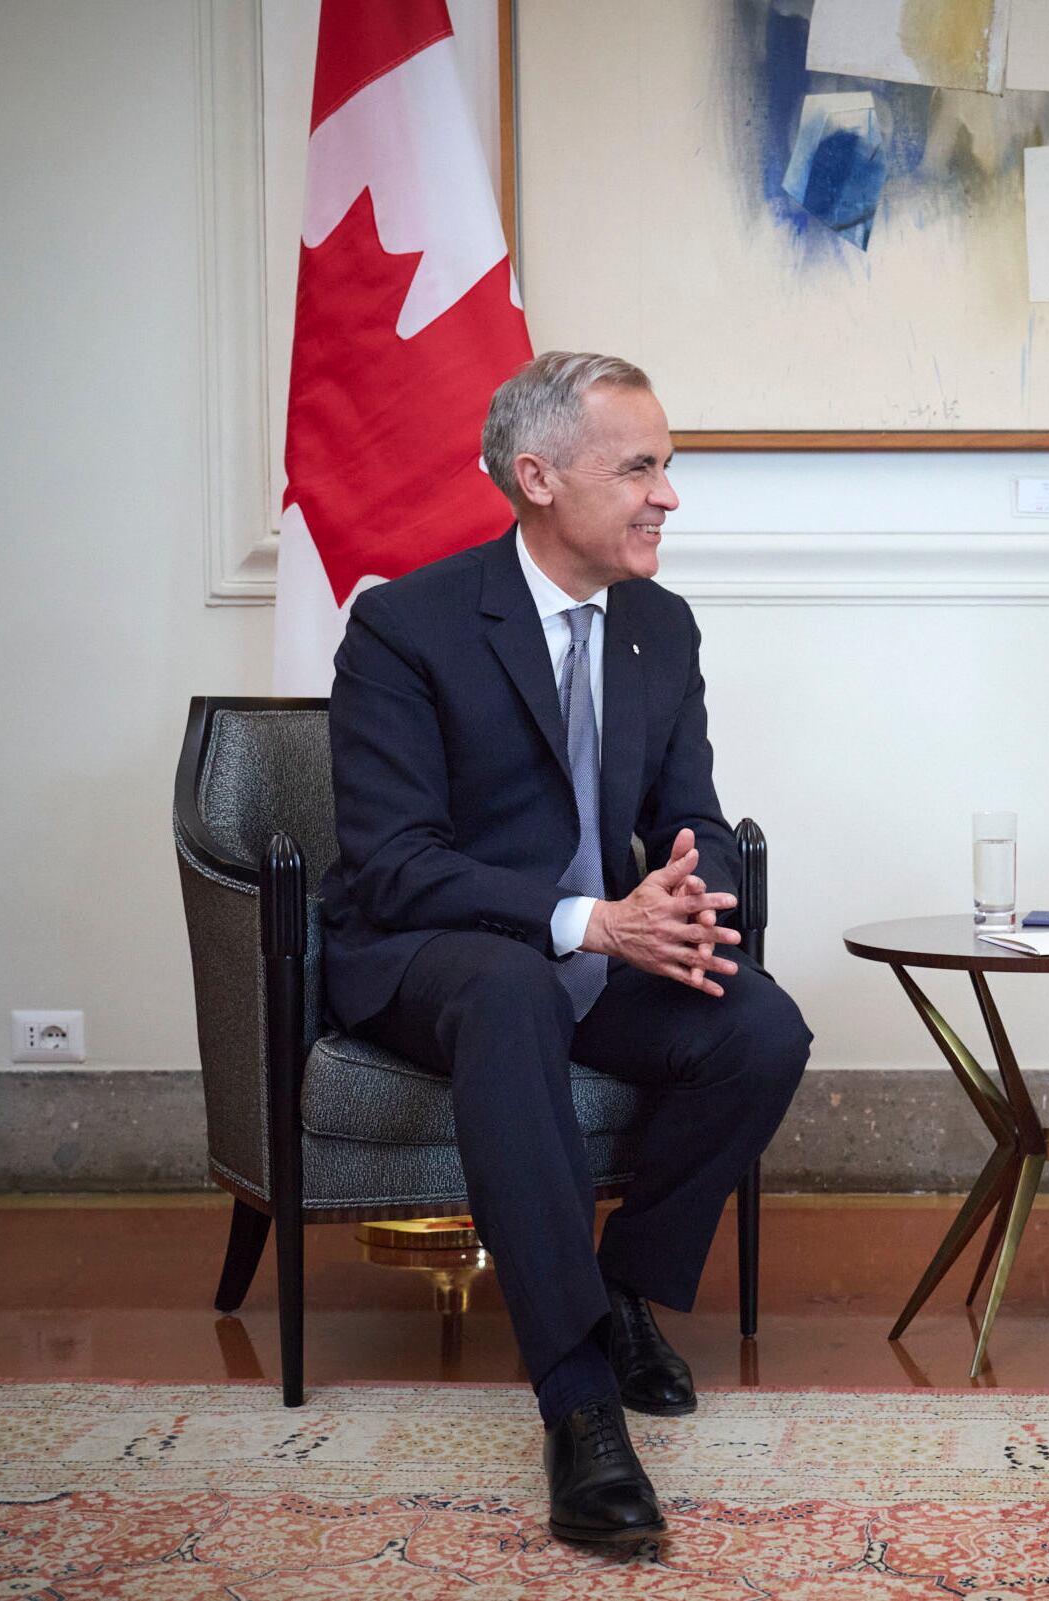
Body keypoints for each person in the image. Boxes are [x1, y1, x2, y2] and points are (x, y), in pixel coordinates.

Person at [321, 351, 812, 1542]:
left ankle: (628, 1291)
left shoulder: (660, 624)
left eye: (668, 466)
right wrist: (590, 918)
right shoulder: (404, 624)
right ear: (535, 477)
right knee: (509, 992)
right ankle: (580, 1399)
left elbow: (693, 806)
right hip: (434, 953)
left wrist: (695, 891)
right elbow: (394, 859)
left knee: (760, 1023)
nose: (668, 496)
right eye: (639, 466)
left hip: (601, 951)